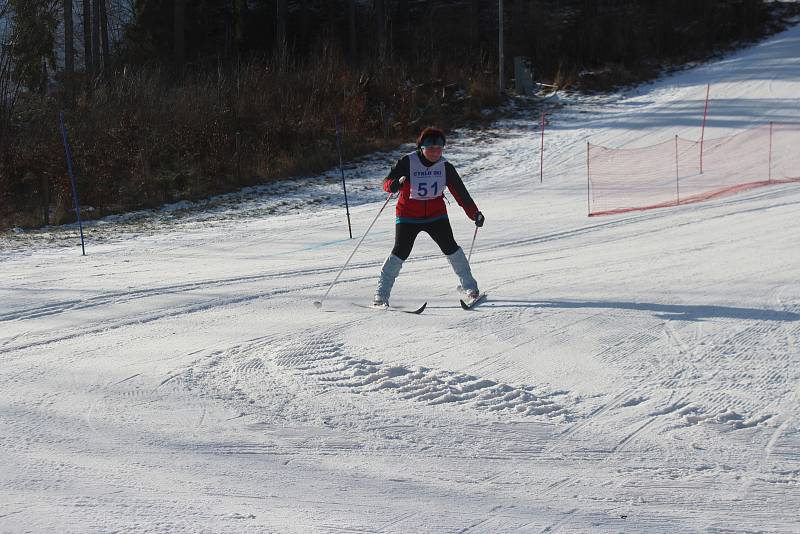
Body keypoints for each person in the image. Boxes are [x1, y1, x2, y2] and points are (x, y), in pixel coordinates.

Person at [373, 126, 485, 307]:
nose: (435, 152)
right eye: (430, 148)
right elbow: (386, 182)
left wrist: (474, 214)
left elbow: (461, 194)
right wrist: (393, 185)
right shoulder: (407, 162)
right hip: (408, 215)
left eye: (439, 148)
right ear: (421, 148)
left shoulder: (445, 166)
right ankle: (381, 294)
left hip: (436, 215)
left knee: (451, 248)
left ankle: (471, 288)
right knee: (400, 251)